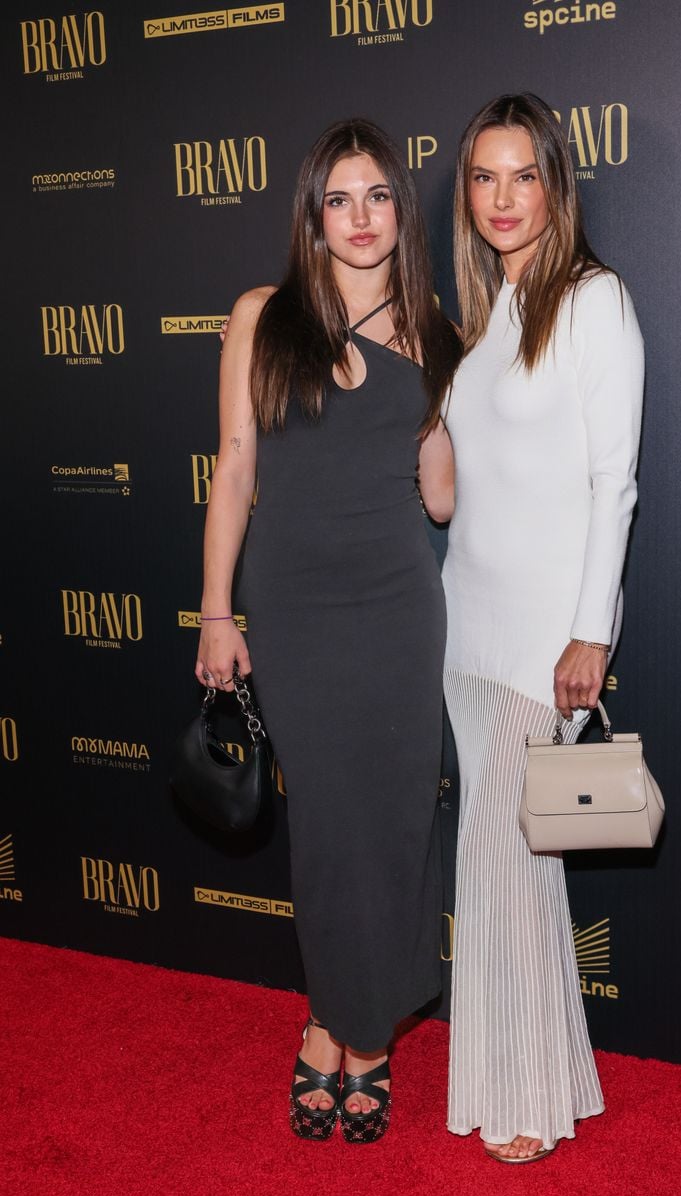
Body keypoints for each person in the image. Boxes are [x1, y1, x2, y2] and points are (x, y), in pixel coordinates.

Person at [195, 118, 461, 1144]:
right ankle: (329, 1023)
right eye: (339, 199)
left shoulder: (434, 332)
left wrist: (454, 412)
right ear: (313, 215)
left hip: (398, 607)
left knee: (392, 823)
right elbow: (234, 469)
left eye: (378, 196)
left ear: (401, 214)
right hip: (295, 604)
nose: (360, 217)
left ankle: (367, 1038)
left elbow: (439, 500)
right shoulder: (262, 316)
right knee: (326, 825)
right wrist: (216, 610)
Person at [440, 93, 645, 1163]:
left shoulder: (593, 301)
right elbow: (450, 497)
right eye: (484, 177)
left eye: (523, 175)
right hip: (464, 632)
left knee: (509, 863)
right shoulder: (487, 322)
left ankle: (527, 1094)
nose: (503, 197)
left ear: (555, 184)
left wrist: (589, 632)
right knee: (505, 875)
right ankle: (530, 1074)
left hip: (541, 642)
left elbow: (615, 482)